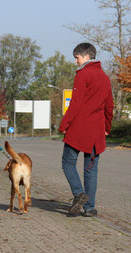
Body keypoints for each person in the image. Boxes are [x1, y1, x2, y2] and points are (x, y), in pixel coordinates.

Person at [59, 43, 114, 217]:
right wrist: (107, 126)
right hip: (96, 131)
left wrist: (64, 125)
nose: (76, 61)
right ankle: (89, 208)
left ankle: (78, 193)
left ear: (87, 56)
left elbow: (75, 104)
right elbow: (109, 106)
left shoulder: (83, 75)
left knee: (68, 162)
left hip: (78, 129)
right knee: (91, 169)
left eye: (77, 58)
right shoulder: (105, 77)